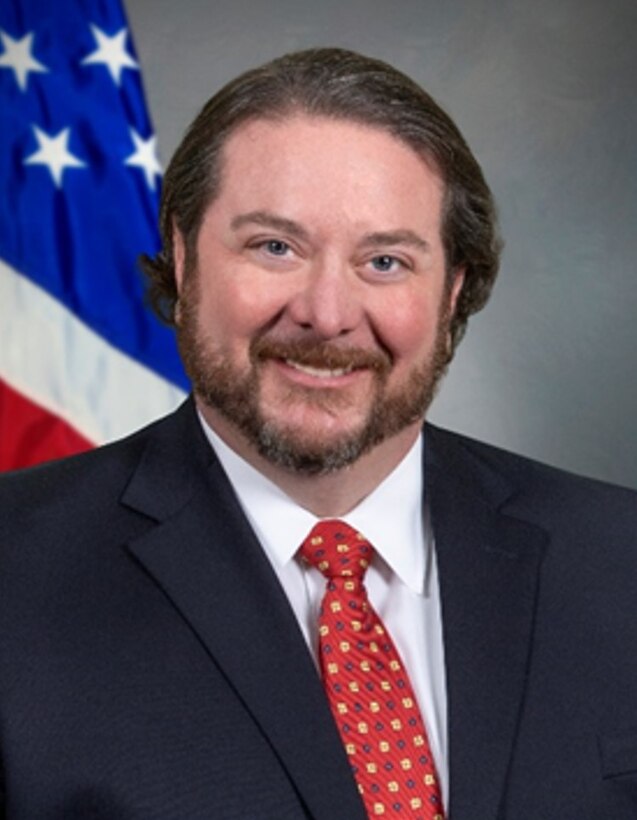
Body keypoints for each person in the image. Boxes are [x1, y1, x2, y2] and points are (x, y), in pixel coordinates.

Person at [0, 48, 635, 820]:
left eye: (384, 260)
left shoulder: (618, 560)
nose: (326, 312)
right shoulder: (17, 570)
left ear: (453, 289)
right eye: (275, 247)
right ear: (181, 253)